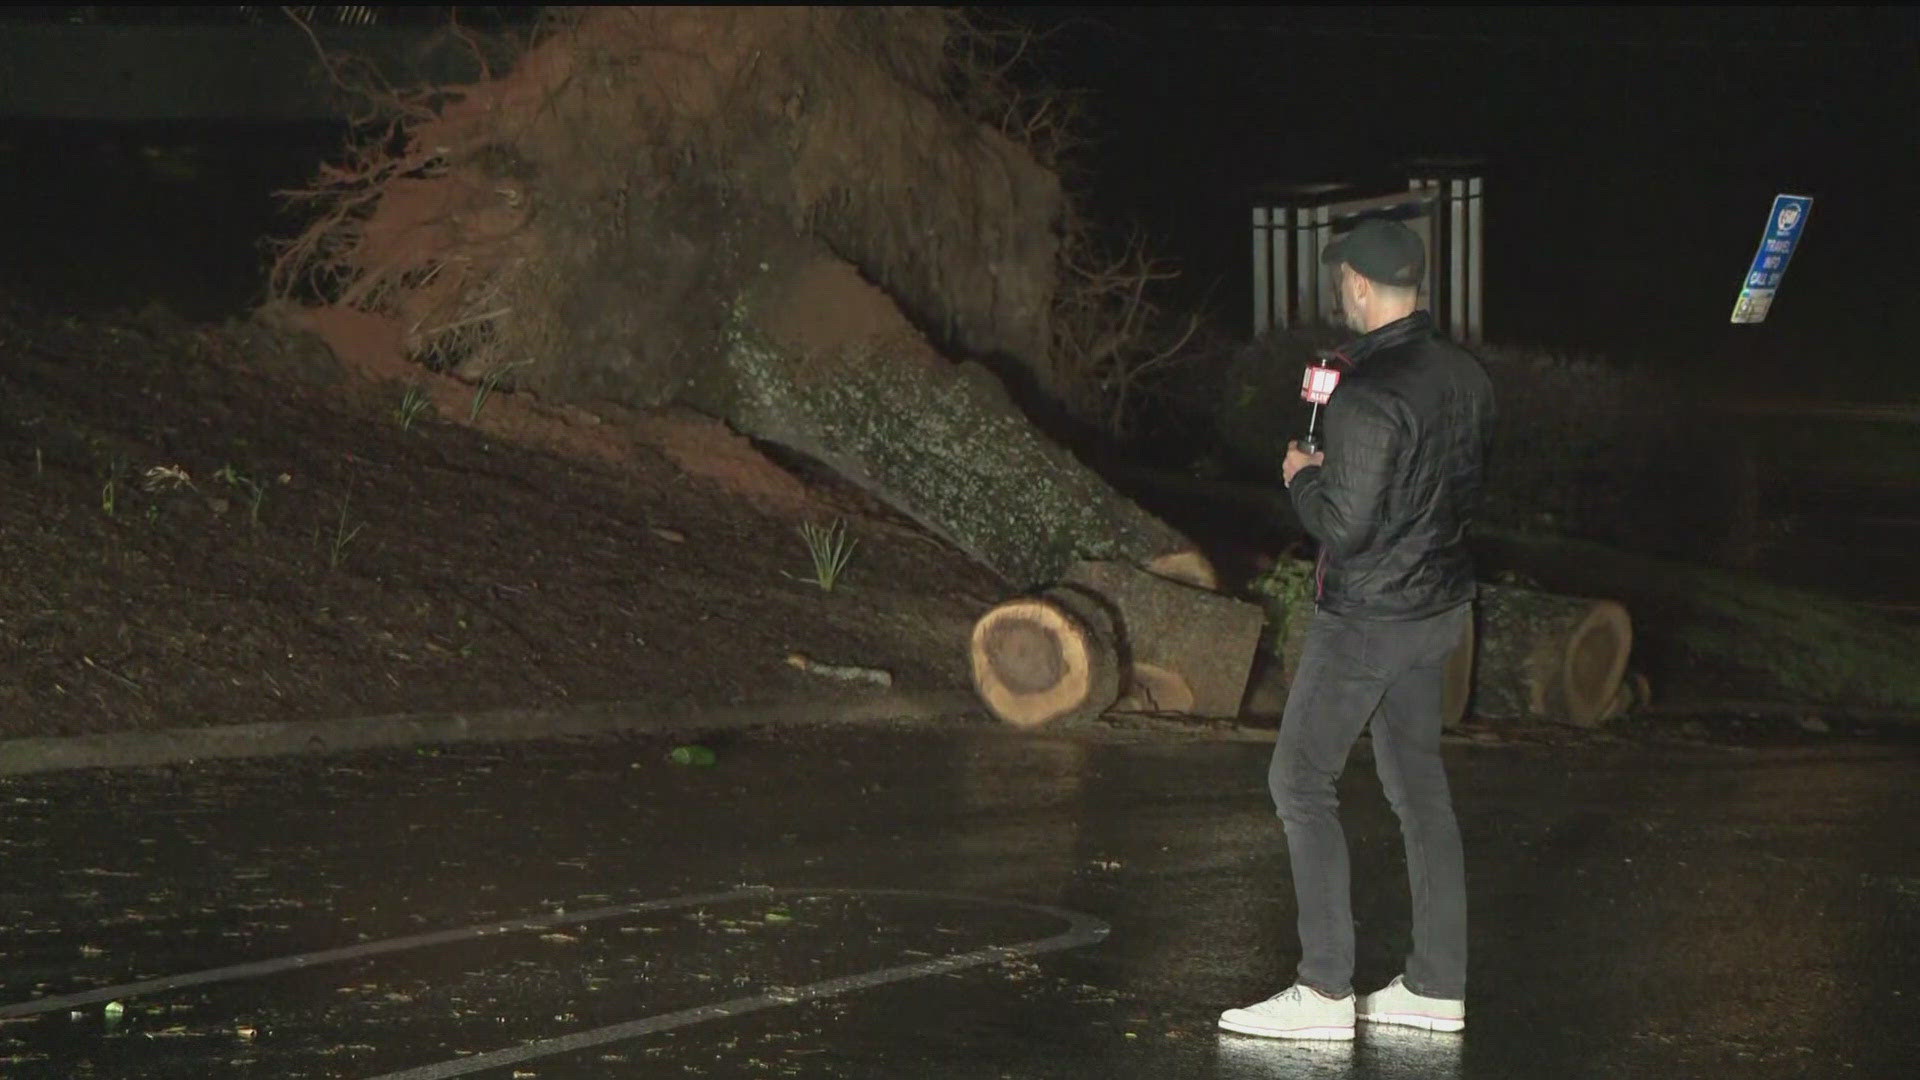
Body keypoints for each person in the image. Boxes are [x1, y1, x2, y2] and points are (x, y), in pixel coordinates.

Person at [1219, 216, 1495, 1041]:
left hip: (1370, 618)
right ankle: (1437, 986)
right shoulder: (1467, 376)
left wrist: (1304, 477)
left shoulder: (1366, 394)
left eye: (1344, 281)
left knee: (1300, 782)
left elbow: (1343, 524)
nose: (1341, 293)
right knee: (1420, 791)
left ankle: (1324, 991)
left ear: (1363, 287)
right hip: (1439, 609)